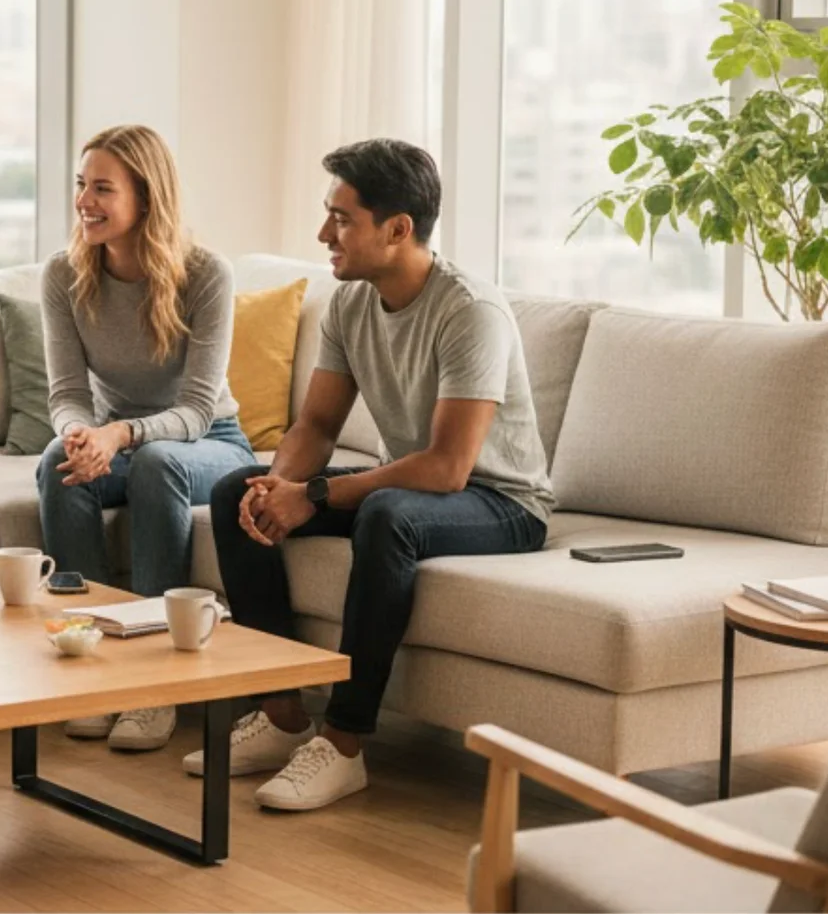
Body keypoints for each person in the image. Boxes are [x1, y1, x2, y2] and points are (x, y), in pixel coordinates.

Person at [183, 139, 553, 811]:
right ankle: (282, 713)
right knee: (235, 489)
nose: (324, 234)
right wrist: (276, 489)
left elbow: (447, 467)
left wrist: (314, 495)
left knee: (388, 515)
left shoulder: (470, 311)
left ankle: (344, 743)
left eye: (342, 219)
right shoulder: (351, 304)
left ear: (398, 229)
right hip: (415, 485)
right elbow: (317, 428)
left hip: (500, 502)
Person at [38, 124, 255, 753]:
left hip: (210, 440)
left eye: (103, 188)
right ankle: (90, 666)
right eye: (82, 185)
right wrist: (80, 435)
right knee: (57, 460)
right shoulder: (64, 275)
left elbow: (193, 409)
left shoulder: (207, 274)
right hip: (116, 438)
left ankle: (156, 683)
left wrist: (120, 433)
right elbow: (67, 394)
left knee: (159, 461)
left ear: (146, 198)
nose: (85, 201)